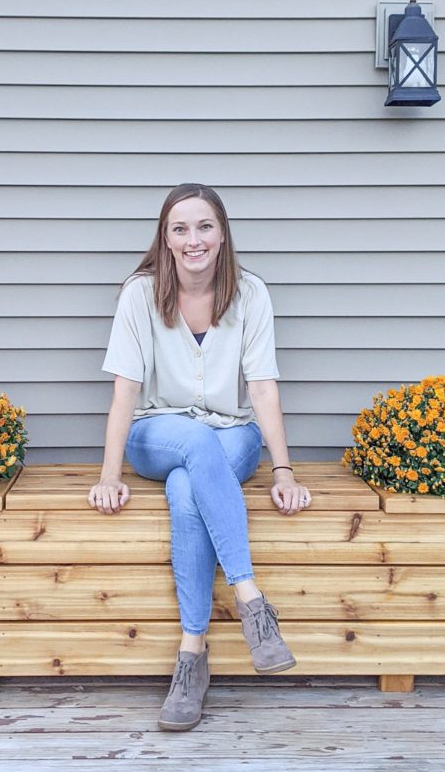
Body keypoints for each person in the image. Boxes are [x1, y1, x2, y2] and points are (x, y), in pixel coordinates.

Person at [88, 183, 312, 731]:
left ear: (222, 232)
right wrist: (109, 475)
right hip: (155, 434)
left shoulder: (251, 294)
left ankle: (192, 657)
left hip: (232, 436)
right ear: (165, 239)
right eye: (180, 229)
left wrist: (283, 470)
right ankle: (251, 600)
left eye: (204, 226)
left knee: (189, 487)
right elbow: (124, 391)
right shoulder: (140, 294)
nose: (194, 240)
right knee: (192, 444)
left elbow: (262, 391)